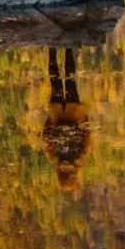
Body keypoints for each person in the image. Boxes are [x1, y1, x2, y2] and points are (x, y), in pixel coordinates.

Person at [42, 48, 90, 190]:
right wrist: (50, 119)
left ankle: (68, 49)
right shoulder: (54, 159)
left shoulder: (79, 158)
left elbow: (87, 135)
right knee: (55, 81)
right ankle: (52, 51)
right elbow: (46, 137)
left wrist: (83, 116)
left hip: (73, 111)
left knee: (70, 80)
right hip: (57, 113)